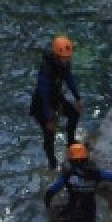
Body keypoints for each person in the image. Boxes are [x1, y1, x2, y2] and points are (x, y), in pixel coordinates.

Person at [43, 142, 112, 222]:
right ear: (86, 158)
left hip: (72, 213)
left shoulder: (67, 176)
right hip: (89, 216)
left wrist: (47, 207)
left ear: (71, 160)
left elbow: (49, 193)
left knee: (55, 213)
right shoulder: (97, 174)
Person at [29, 34, 84, 170]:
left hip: (55, 97)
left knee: (74, 114)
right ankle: (52, 162)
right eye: (64, 58)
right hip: (42, 105)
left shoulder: (63, 64)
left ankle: (70, 143)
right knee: (49, 134)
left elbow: (68, 78)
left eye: (68, 57)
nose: (67, 60)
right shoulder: (46, 69)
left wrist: (78, 98)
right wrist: (48, 118)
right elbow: (43, 95)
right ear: (56, 56)